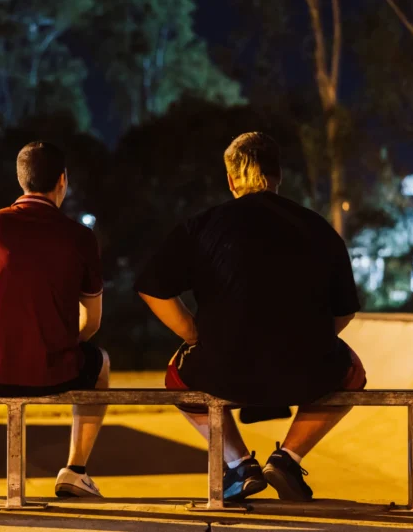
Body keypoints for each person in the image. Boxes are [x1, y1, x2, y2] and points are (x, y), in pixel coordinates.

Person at [135, 132, 367, 502]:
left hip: (221, 367)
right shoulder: (318, 227)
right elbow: (345, 310)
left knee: (177, 379)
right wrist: (314, 338)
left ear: (230, 180)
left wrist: (192, 333)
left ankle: (239, 464)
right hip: (307, 369)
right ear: (279, 176)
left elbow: (151, 287)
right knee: (352, 372)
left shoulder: (203, 225)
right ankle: (288, 459)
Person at [0, 141, 109, 498]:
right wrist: (60, 344)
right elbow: (94, 320)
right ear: (62, 181)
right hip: (55, 372)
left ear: (20, 179)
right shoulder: (81, 237)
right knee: (101, 363)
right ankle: (75, 470)